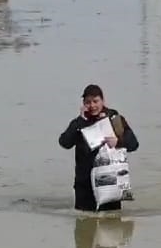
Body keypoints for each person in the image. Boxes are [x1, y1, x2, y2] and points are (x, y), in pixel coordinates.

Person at [57, 84, 139, 212]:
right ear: (83, 104)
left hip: (111, 183)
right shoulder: (79, 123)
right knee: (84, 224)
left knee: (113, 225)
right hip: (84, 186)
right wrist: (79, 121)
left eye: (96, 101)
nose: (92, 106)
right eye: (88, 102)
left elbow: (134, 144)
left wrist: (118, 141)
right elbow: (64, 143)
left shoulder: (114, 118)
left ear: (103, 101)